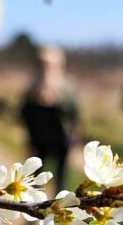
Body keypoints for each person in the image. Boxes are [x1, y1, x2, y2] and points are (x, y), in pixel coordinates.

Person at [20, 46, 79, 190]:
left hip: (62, 140)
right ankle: (33, 202)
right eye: (42, 64)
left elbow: (74, 114)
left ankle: (61, 201)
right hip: (39, 141)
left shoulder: (68, 88)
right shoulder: (32, 89)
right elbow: (24, 113)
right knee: (35, 177)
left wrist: (58, 102)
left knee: (62, 178)